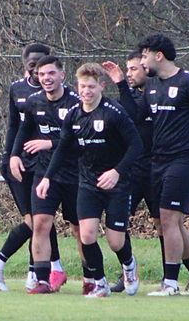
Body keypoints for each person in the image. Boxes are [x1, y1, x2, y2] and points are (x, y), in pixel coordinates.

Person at [113, 34, 189, 296]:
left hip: (184, 160)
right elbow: (135, 116)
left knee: (168, 218)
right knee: (171, 222)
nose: (142, 61)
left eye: (145, 56)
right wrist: (121, 85)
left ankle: (170, 283)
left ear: (159, 55)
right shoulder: (153, 86)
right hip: (158, 161)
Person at [36, 63, 143, 297]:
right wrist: (47, 178)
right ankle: (100, 283)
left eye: (91, 87)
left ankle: (129, 266)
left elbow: (136, 146)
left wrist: (116, 172)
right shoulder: (74, 114)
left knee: (115, 241)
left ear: (101, 86)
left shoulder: (114, 113)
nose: (86, 91)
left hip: (117, 184)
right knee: (86, 235)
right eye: (83, 86)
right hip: (87, 183)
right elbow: (62, 149)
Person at [0, 43, 64, 292]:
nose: (39, 71)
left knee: (41, 220)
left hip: (46, 164)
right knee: (34, 221)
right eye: (33, 65)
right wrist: (10, 157)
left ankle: (32, 271)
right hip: (20, 164)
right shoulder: (17, 89)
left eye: (43, 66)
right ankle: (18, 268)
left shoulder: (56, 94)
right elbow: (13, 127)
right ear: (26, 65)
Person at [9, 55, 82, 294]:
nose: (46, 78)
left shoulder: (76, 103)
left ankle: (92, 277)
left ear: (62, 75)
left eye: (51, 73)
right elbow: (24, 130)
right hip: (44, 174)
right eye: (42, 74)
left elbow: (79, 140)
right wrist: (15, 155)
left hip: (74, 174)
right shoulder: (34, 102)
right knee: (40, 223)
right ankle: (42, 280)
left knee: (80, 229)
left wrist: (49, 143)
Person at [102, 51, 163, 293]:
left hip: (157, 168)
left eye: (133, 69)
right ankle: (127, 272)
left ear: (147, 68)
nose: (128, 74)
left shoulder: (157, 94)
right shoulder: (127, 97)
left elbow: (138, 114)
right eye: (126, 70)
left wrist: (119, 82)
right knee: (118, 224)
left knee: (163, 223)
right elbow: (130, 115)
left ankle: (172, 276)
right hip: (132, 170)